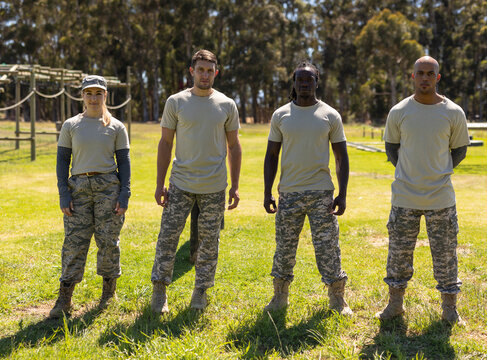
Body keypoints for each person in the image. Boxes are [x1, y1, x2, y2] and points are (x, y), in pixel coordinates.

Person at [377, 56, 469, 325]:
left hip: (441, 198)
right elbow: (392, 148)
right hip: (404, 197)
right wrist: (411, 172)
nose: (425, 78)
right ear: (413, 76)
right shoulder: (399, 111)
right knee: (398, 254)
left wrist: (436, 172)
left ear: (437, 77)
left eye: (430, 73)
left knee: (445, 254)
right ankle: (395, 305)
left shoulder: (453, 112)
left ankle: (449, 310)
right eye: (420, 73)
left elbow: (459, 150)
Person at [150, 49, 242, 313]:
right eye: (200, 69)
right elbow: (166, 143)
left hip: (214, 187)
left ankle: (200, 293)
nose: (205, 74)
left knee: (208, 243)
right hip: (180, 184)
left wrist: (235, 186)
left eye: (209, 70)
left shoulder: (226, 104)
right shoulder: (176, 102)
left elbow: (234, 146)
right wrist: (159, 183)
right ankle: (159, 293)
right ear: (192, 71)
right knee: (167, 238)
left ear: (216, 72)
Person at [263, 61, 352, 315]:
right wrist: (268, 191)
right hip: (289, 194)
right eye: (299, 80)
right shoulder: (281, 115)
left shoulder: (330, 115)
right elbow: (271, 155)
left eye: (309, 79)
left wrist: (342, 194)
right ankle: (279, 297)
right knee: (284, 247)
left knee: (328, 247)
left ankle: (337, 299)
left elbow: (341, 157)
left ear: (317, 81)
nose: (304, 84)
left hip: (321, 194)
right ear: (294, 82)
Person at [50, 75, 131, 318]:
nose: (93, 98)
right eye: (89, 93)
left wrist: (124, 193)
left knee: (108, 241)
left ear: (106, 96)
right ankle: (65, 298)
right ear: (82, 95)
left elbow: (124, 162)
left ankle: (108, 293)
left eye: (98, 93)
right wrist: (64, 193)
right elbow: (63, 160)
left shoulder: (116, 127)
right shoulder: (71, 125)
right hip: (79, 188)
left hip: (109, 187)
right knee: (74, 242)